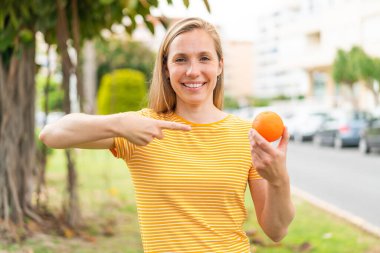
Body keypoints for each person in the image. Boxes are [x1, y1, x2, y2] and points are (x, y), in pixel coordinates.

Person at [40, 17, 295, 253]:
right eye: (181, 59)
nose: (193, 71)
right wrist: (120, 123)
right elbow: (53, 134)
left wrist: (279, 180)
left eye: (204, 58)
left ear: (220, 66)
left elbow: (276, 230)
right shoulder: (141, 127)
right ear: (166, 68)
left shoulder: (245, 135)